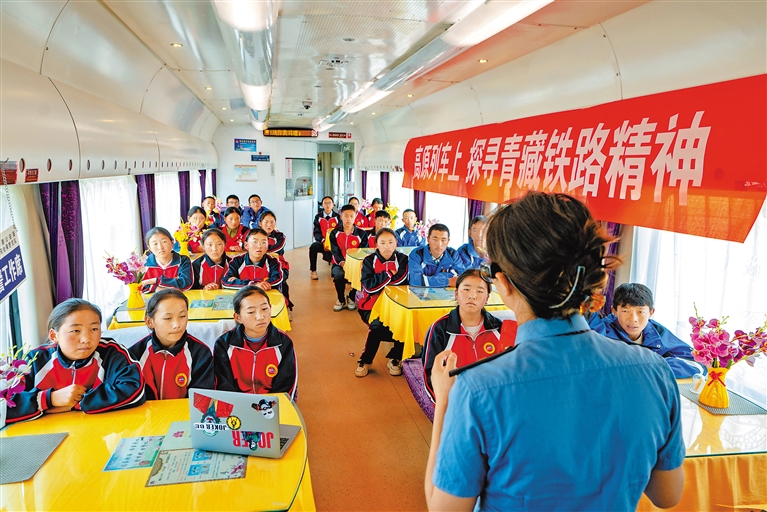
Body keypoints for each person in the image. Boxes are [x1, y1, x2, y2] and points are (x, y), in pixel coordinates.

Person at [425, 191, 684, 511]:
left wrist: (444, 401)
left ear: (503, 283)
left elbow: (445, 508)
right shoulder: (654, 370)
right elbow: (668, 495)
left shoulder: (478, 388)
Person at [6, 299, 145, 424]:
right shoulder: (34, 359)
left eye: (94, 329)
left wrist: (77, 402)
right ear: (54, 335)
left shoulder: (112, 353)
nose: (86, 339)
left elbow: (134, 389)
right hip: (44, 435)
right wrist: (50, 399)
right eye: (75, 330)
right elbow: (4, 404)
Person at [421, 269, 513, 401]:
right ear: (456, 294)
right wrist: (446, 405)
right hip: (453, 403)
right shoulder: (439, 329)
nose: (472, 296)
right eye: (466, 289)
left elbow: (508, 373)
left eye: (480, 291)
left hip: (492, 403)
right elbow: (429, 376)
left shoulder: (499, 328)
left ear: (487, 298)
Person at [588, 283, 706, 378]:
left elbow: (699, 363)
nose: (633, 319)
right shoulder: (602, 331)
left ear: (651, 313)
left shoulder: (657, 332)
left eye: (640, 312)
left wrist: (649, 366)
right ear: (614, 311)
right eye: (625, 311)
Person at [213, 285, 297, 399]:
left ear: (270, 308)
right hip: (237, 403)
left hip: (272, 404)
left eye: (264, 309)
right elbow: (224, 385)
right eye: (251, 312)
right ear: (238, 317)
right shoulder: (223, 344)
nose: (260, 317)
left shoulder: (284, 343)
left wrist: (268, 405)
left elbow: (286, 386)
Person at [129, 289, 214, 400]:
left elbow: (201, 400)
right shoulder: (134, 355)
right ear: (150, 321)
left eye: (182, 316)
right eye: (168, 318)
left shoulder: (201, 354)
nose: (177, 325)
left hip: (185, 411)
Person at [354, 228, 409, 377]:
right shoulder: (368, 261)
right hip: (371, 306)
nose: (387, 246)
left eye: (390, 242)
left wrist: (381, 279)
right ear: (376, 244)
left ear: (396, 243)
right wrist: (389, 274)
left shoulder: (403, 259)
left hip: (397, 305)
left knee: (404, 322)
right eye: (382, 243)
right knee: (377, 325)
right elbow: (369, 288)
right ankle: (366, 360)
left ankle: (395, 357)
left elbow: (402, 280)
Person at [329, 204, 369, 311]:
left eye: (351, 216)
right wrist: (342, 263)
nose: (349, 219)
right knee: (339, 275)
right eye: (346, 216)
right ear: (341, 216)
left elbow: (363, 252)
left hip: (357, 264)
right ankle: (341, 299)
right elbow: (335, 252)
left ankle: (351, 297)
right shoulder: (334, 233)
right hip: (339, 263)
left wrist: (355, 265)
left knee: (364, 275)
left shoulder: (362, 234)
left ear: (356, 216)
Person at [260, 211, 293, 313]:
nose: (269, 225)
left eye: (272, 222)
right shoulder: (255, 235)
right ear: (260, 223)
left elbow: (278, 248)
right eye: (266, 222)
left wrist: (260, 251)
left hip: (280, 265)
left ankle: (287, 306)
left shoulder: (280, 236)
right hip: (261, 266)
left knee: (281, 281)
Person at [142, 227, 194, 293]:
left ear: (172, 243)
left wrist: (155, 280)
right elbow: (141, 285)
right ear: (149, 247)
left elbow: (185, 283)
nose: (160, 247)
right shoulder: (144, 264)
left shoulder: (183, 260)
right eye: (155, 244)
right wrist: (156, 288)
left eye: (164, 242)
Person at [309, 196, 341, 280]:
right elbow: (316, 232)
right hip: (322, 242)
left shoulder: (337, 217)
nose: (327, 205)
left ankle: (336, 267)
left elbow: (340, 232)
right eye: (325, 203)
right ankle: (313, 271)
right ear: (322, 205)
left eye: (329, 203)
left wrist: (332, 243)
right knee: (313, 247)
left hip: (334, 243)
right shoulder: (318, 217)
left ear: (333, 205)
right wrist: (323, 241)